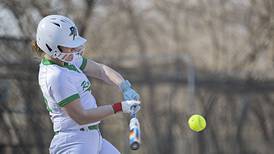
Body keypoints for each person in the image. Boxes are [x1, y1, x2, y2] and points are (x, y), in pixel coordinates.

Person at [32, 15, 141, 154]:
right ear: (52, 47)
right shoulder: (56, 76)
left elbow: (101, 70)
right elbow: (82, 117)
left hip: (93, 138)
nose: (74, 50)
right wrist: (120, 107)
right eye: (69, 47)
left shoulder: (67, 60)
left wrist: (124, 86)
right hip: (74, 142)